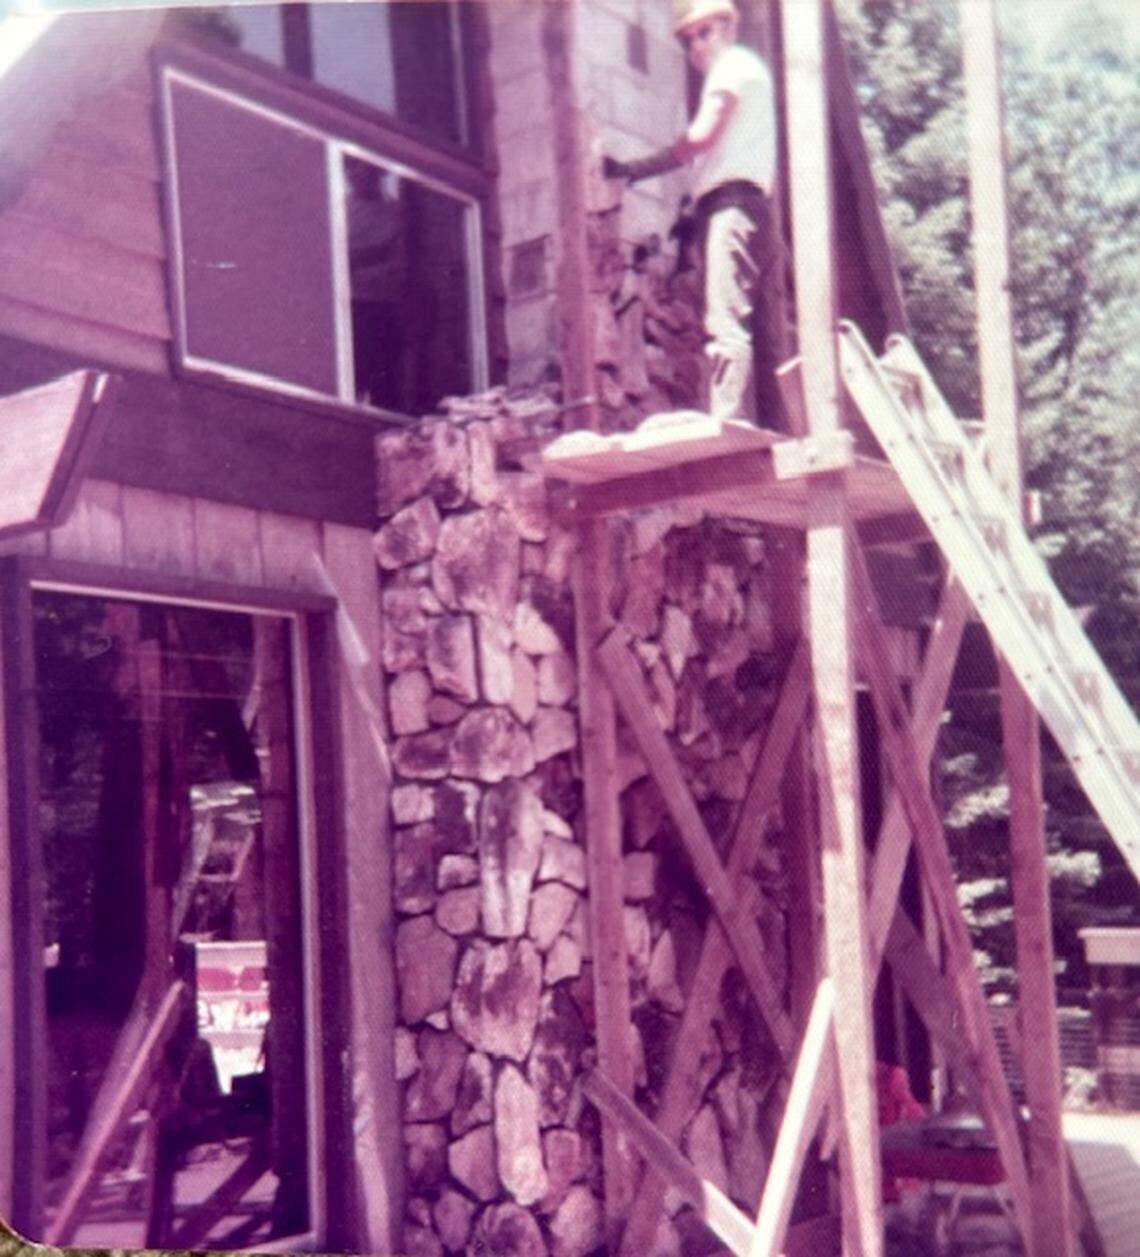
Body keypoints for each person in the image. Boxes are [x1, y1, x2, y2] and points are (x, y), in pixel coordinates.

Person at [604, 0, 785, 429]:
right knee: (755, 326)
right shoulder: (751, 72)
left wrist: (636, 169)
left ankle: (728, 420)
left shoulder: (731, 66)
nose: (697, 47)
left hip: (731, 206)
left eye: (705, 33)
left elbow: (700, 137)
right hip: (747, 205)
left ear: (729, 28)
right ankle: (771, 424)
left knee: (723, 319)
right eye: (688, 41)